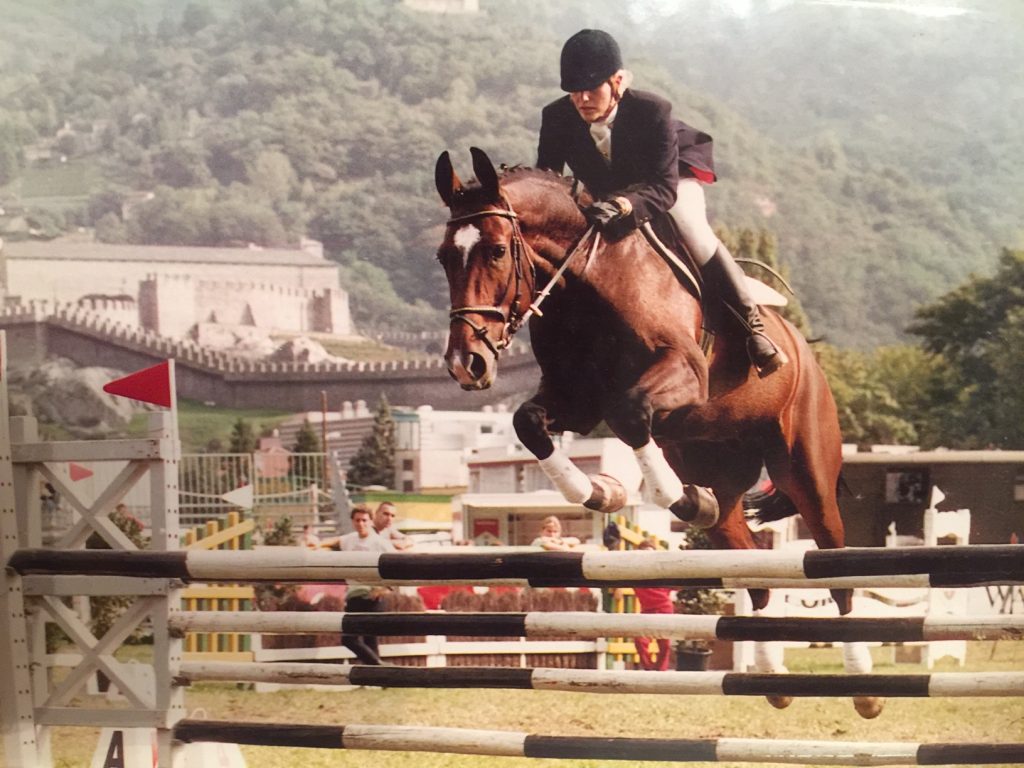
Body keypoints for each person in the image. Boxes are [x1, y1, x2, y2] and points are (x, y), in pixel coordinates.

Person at [537, 29, 786, 377]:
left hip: (668, 177)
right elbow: (547, 180)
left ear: (618, 82)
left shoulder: (652, 110)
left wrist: (624, 206)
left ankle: (752, 328)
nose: (581, 99)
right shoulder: (557, 117)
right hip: (608, 190)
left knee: (691, 226)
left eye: (591, 89)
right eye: (574, 91)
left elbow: (664, 188)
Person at [320, 504, 394, 665]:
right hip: (354, 595)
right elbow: (334, 541)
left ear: (370, 521)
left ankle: (379, 673)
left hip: (373, 596)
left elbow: (397, 569)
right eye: (357, 520)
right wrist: (317, 545)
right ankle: (380, 674)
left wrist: (385, 589)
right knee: (351, 639)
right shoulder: (349, 539)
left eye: (364, 520)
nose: (361, 524)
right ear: (353, 521)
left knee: (364, 639)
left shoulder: (380, 543)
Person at [629, 540, 675, 671]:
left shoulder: (662, 571)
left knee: (664, 643)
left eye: (651, 554)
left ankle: (661, 670)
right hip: (647, 611)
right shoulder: (634, 573)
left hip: (664, 609)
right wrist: (617, 589)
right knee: (640, 640)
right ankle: (649, 669)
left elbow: (678, 585)